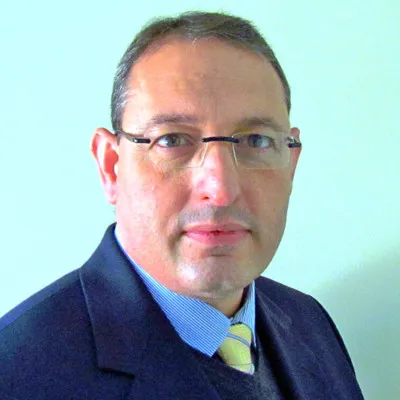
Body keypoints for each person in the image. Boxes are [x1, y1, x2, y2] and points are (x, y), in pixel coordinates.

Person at [0, 11, 364, 400]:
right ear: (111, 166)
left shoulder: (310, 323)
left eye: (256, 141)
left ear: (290, 164)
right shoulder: (17, 374)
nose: (221, 190)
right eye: (172, 140)